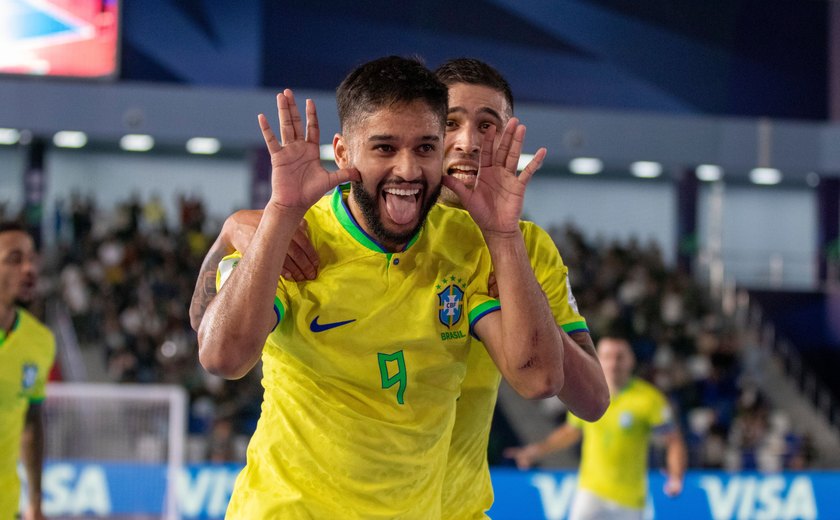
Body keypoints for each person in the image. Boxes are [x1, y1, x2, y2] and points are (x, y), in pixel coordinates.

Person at [190, 57, 611, 518]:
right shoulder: (302, 233)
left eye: (487, 125)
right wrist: (244, 228)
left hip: (449, 507)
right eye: (451, 122)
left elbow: (558, 385)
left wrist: (512, 264)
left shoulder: (491, 248)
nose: (468, 142)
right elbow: (216, 346)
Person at [505, 336, 687, 520]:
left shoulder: (649, 399)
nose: (614, 362)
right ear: (598, 358)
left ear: (631, 360)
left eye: (620, 356)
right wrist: (537, 450)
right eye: (608, 356)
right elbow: (570, 431)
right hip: (591, 492)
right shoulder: (588, 393)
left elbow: (673, 440)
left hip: (630, 499)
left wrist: (676, 476)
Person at [0, 222, 55, 520]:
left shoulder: (40, 341)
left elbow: (31, 422)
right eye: (14, 259)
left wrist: (35, 500)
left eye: (32, 259)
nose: (29, 268)